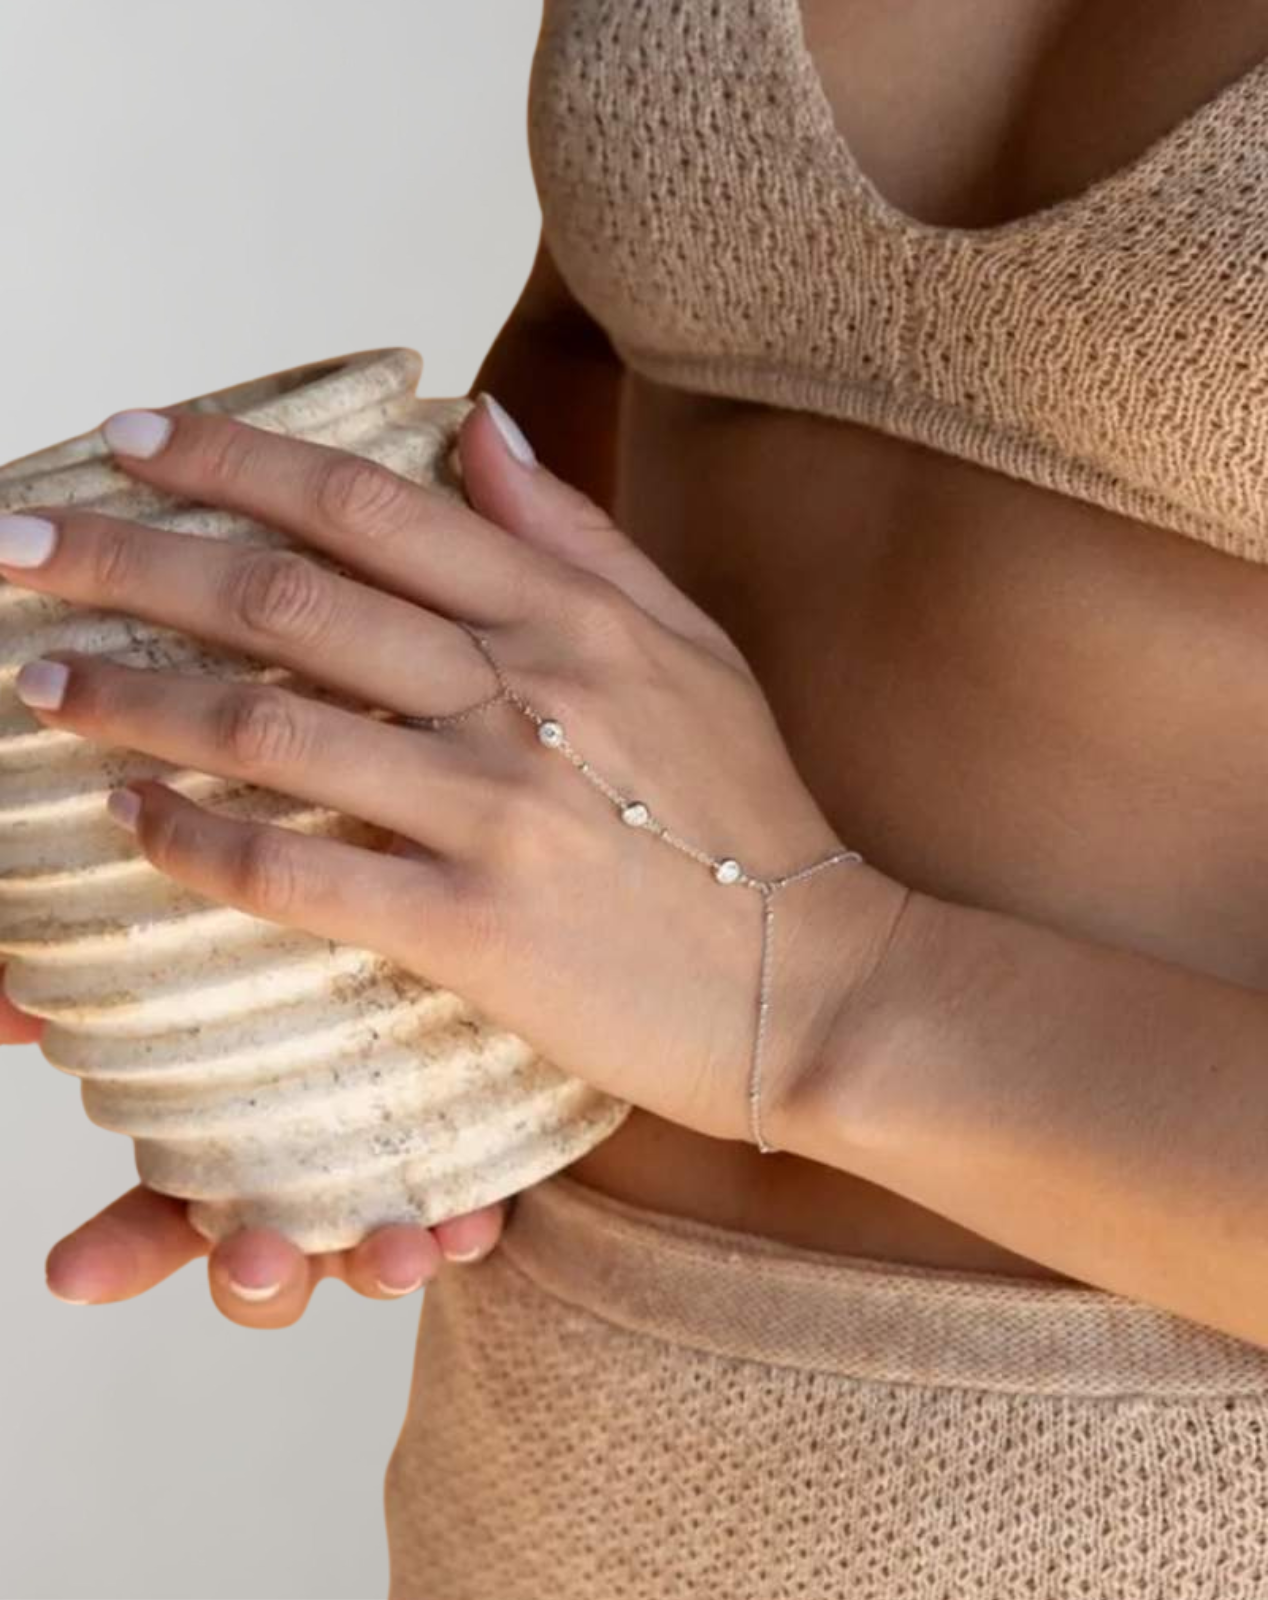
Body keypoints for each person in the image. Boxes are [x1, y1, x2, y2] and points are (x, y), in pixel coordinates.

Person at [11, 1, 1268, 1594]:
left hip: (1159, 1507)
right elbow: (598, 339)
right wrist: (338, 929)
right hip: (557, 1429)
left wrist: (812, 993)